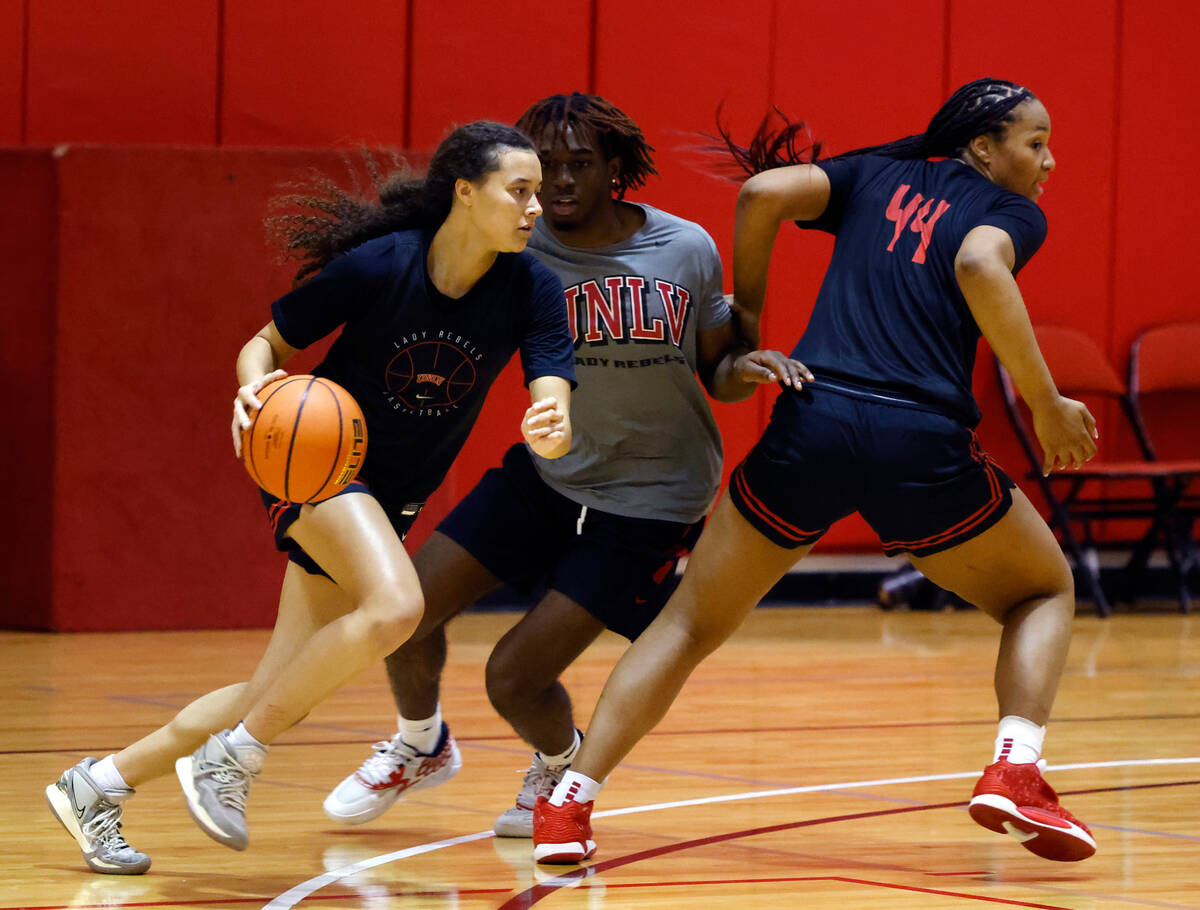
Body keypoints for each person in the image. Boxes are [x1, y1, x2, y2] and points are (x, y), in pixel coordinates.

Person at [533, 78, 1102, 866]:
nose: (1048, 161)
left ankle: (568, 806)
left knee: (690, 621)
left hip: (813, 423)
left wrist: (751, 323)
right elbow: (979, 263)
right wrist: (1044, 404)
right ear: (983, 148)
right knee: (1044, 590)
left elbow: (763, 192)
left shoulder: (875, 174)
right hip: (919, 444)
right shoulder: (1007, 214)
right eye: (1034, 143)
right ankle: (1016, 768)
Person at [44, 120, 577, 874]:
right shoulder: (381, 266)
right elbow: (266, 344)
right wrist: (252, 388)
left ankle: (97, 785)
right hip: (317, 461)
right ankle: (235, 758)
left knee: (279, 684)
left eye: (539, 193)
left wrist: (551, 422)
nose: (536, 207)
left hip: (390, 497)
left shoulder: (532, 288)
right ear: (466, 192)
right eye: (519, 191)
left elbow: (550, 385)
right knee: (397, 609)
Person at [321, 93, 807, 837]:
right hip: (549, 474)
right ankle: (421, 744)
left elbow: (719, 372)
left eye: (580, 165)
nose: (561, 183)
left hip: (649, 498)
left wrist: (754, 367)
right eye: (545, 168)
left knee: (513, 678)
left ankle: (557, 763)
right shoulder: (516, 244)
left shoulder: (685, 249)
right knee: (403, 616)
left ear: (618, 171)